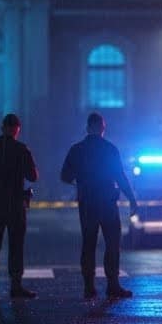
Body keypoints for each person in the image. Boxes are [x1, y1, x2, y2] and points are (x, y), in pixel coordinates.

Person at [60, 112, 138, 299]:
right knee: (112, 243)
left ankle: (89, 286)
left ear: (87, 128)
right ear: (103, 127)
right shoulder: (110, 149)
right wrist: (132, 199)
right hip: (107, 203)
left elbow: (65, 176)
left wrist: (80, 182)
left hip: (87, 203)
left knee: (88, 244)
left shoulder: (77, 149)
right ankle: (113, 284)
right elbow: (120, 176)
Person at [0, 113, 38, 299]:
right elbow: (33, 176)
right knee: (16, 246)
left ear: (2, 127)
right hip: (16, 204)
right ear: (17, 129)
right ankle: (16, 286)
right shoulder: (21, 149)